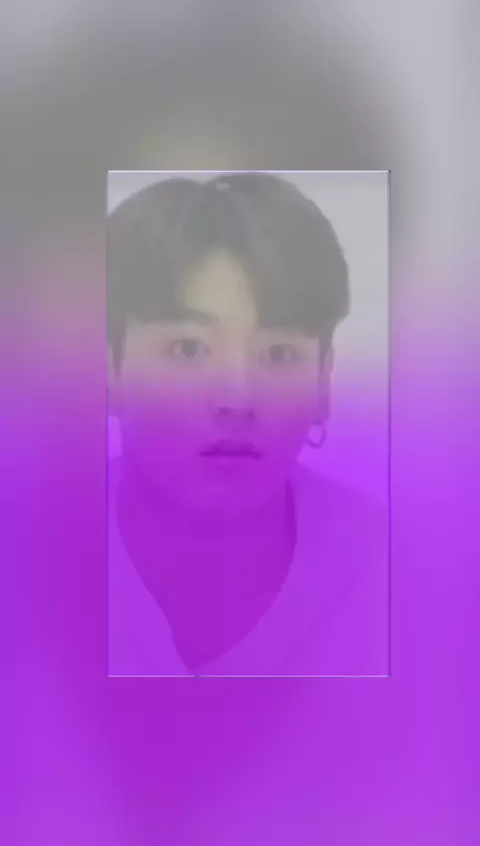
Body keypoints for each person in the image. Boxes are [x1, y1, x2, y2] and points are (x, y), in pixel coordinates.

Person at [107, 172, 388, 677]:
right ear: (107, 368)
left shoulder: (399, 576)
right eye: (187, 349)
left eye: (278, 353)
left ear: (322, 382)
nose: (237, 398)